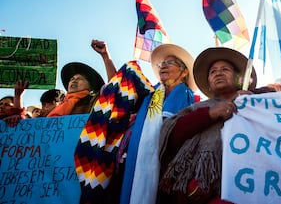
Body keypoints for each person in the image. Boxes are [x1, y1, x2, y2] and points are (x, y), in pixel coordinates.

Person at [74, 44, 198, 204]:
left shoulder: (182, 92)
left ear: (184, 72)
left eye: (170, 63)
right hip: (127, 159)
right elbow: (119, 90)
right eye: (162, 64)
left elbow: (167, 128)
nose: (163, 67)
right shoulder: (152, 94)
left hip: (155, 163)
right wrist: (106, 57)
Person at [157, 47, 278, 204]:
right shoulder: (197, 108)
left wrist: (253, 95)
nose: (218, 73)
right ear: (208, 81)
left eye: (225, 70)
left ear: (238, 78)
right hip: (198, 191)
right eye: (213, 72)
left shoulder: (257, 101)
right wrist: (209, 114)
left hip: (254, 185)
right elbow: (170, 135)